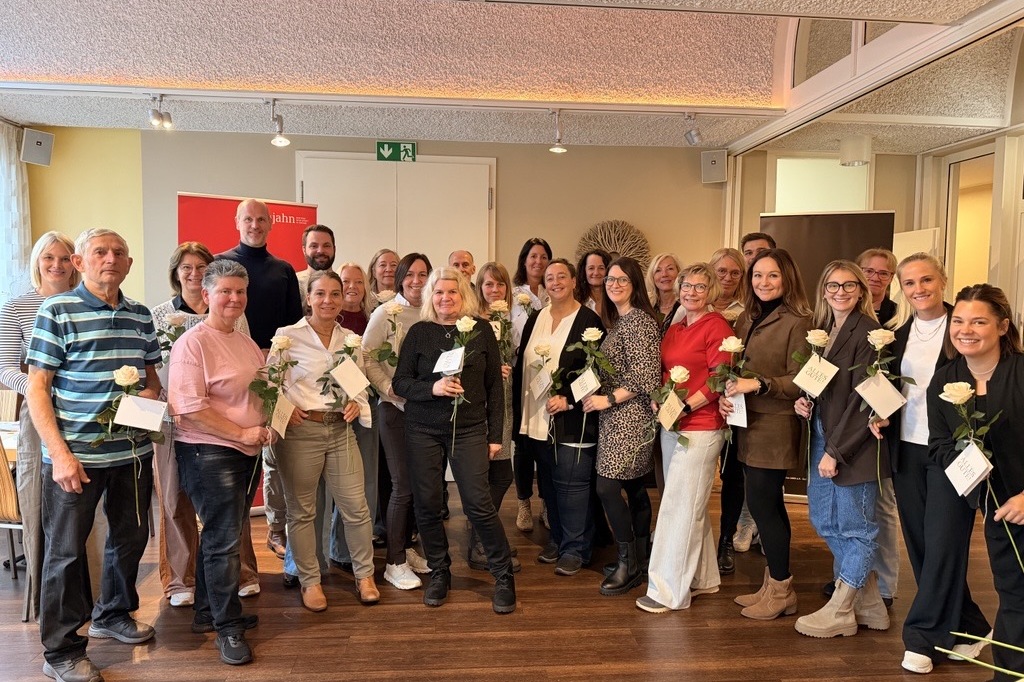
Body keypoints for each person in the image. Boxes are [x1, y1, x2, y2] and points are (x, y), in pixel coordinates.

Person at [27, 228, 162, 681]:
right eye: (100, 251)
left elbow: (151, 380)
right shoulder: (56, 310)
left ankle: (113, 614)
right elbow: (38, 388)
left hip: (133, 454)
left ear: (129, 264)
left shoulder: (141, 315)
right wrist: (59, 454)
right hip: (76, 458)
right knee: (65, 554)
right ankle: (61, 652)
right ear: (80, 262)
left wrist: (145, 404)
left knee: (131, 538)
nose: (111, 258)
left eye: (119, 252)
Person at [871, 254, 991, 674]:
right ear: (901, 288)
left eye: (926, 280)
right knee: (923, 546)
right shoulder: (895, 336)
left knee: (944, 543)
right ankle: (970, 626)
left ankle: (923, 636)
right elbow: (892, 391)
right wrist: (879, 415)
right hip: (907, 449)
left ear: (942, 280)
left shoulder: (962, 328)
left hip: (952, 451)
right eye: (909, 283)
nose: (918, 289)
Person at [393, 267, 516, 613]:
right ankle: (440, 571)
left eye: (452, 292)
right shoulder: (419, 332)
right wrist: (432, 388)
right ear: (430, 297)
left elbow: (495, 387)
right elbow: (401, 382)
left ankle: (503, 575)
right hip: (422, 429)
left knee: (479, 504)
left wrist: (496, 436)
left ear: (464, 296)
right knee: (428, 504)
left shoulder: (480, 331)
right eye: (438, 292)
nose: (445, 298)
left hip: (469, 429)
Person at [169, 259, 273, 667]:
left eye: (240, 291)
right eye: (225, 291)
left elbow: (259, 391)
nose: (234, 298)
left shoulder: (244, 341)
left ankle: (206, 613)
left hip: (245, 451)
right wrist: (241, 434)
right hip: (209, 451)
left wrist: (269, 422)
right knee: (224, 541)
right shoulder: (192, 344)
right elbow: (188, 409)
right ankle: (228, 627)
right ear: (206, 294)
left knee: (222, 535)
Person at [149, 242, 258, 608]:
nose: (194, 274)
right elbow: (156, 370)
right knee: (176, 501)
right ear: (177, 273)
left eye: (201, 267)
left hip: (232, 432)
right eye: (187, 267)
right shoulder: (164, 317)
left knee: (229, 513)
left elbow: (247, 370)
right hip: (180, 422)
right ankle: (183, 582)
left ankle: (237, 578)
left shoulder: (237, 321)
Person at [928, 284, 1024, 680]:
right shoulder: (944, 380)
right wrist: (966, 463)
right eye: (959, 321)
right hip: (999, 511)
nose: (965, 330)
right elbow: (938, 446)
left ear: (1002, 326)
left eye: (979, 321)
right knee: (1014, 593)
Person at [792, 261, 890, 638]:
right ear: (824, 290)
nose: (840, 292)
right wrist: (805, 401)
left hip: (853, 443)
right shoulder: (826, 331)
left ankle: (842, 607)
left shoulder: (868, 332)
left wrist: (835, 451)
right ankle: (870, 602)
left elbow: (865, 401)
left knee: (856, 527)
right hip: (821, 432)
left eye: (849, 285)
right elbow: (823, 386)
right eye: (833, 285)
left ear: (861, 290)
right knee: (823, 519)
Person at [274, 271, 380, 611]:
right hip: (301, 432)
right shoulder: (287, 337)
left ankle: (365, 576)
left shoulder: (350, 339)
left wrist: (356, 403)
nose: (328, 300)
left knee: (356, 507)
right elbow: (270, 385)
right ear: (308, 298)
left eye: (336, 294)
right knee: (302, 511)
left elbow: (358, 385)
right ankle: (310, 581)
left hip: (340, 431)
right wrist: (285, 410)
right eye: (320, 293)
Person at [720, 248, 811, 620]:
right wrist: (728, 391)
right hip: (746, 423)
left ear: (787, 278)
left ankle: (782, 590)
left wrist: (757, 383)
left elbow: (801, 379)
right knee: (766, 505)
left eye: (772, 275)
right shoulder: (748, 316)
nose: (763, 282)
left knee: (764, 507)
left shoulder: (799, 321)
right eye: (757, 275)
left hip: (775, 426)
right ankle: (772, 583)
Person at [636, 262, 732, 613]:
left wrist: (686, 407)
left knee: (679, 507)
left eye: (700, 287)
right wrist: (659, 399)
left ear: (711, 291)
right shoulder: (676, 328)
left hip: (702, 426)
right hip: (672, 423)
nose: (691, 292)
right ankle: (704, 578)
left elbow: (720, 378)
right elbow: (665, 372)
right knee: (690, 504)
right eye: (687, 286)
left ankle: (668, 591)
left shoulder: (717, 326)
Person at [217, 198, 303, 560]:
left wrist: (275, 360)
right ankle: (245, 536)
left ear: (271, 223)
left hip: (277, 372)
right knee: (239, 455)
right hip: (233, 373)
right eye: (248, 219)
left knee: (276, 449)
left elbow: (296, 326)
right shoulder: (222, 265)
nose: (255, 225)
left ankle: (277, 527)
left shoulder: (283, 270)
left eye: (261, 219)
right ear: (237, 222)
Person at [0, 231, 80, 622]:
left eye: (64, 257)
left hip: (83, 415)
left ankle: (89, 596)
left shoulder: (86, 304)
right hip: (37, 417)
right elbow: (4, 369)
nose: (56, 265)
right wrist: (39, 390)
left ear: (75, 263)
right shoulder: (16, 308)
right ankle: (44, 601)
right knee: (38, 504)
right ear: (37, 262)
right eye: (49, 257)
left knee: (83, 507)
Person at [516, 259, 604, 576]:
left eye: (561, 276)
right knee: (550, 484)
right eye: (549, 278)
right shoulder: (536, 318)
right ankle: (558, 539)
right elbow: (523, 365)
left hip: (571, 418)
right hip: (536, 418)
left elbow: (598, 372)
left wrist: (568, 398)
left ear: (574, 280)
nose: (555, 282)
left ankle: (577, 548)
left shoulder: (589, 321)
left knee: (572, 485)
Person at [583, 256, 661, 596]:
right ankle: (639, 559)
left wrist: (608, 399)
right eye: (610, 279)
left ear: (635, 284)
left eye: (622, 280)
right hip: (616, 416)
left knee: (607, 487)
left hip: (631, 416)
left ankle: (628, 563)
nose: (614, 285)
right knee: (634, 487)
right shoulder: (619, 320)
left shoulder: (639, 321)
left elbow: (646, 376)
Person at [363, 253, 432, 590]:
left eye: (423, 274)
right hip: (394, 409)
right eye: (410, 275)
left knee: (418, 486)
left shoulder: (433, 311)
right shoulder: (386, 312)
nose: (416, 281)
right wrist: (387, 388)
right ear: (401, 278)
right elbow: (366, 355)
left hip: (425, 410)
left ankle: (405, 549)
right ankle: (393, 563)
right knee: (402, 486)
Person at [325, 262, 379, 573]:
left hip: (365, 405)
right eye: (346, 282)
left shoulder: (374, 318)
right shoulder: (328, 321)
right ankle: (326, 549)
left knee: (362, 481)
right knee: (330, 486)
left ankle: (350, 549)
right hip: (332, 411)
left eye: (358, 282)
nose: (352, 287)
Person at [469, 262, 519, 572]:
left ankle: (485, 537)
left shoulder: (509, 321)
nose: (495, 290)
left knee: (499, 474)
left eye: (500, 284)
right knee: (492, 475)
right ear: (479, 288)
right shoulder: (470, 322)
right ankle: (481, 542)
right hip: (482, 405)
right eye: (489, 284)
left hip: (505, 403)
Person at [707, 247, 753, 576]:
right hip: (702, 399)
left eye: (735, 272)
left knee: (733, 473)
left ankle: (726, 538)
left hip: (735, 400)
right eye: (721, 271)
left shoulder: (748, 311)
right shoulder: (697, 304)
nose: (727, 277)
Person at [510, 237, 552, 533]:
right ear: (524, 261)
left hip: (550, 376)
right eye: (533, 257)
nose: (538, 262)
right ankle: (524, 502)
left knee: (547, 440)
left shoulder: (556, 292)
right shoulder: (513, 295)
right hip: (519, 375)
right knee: (523, 441)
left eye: (544, 257)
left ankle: (547, 503)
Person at [857, 248, 898, 326]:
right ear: (858, 273)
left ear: (891, 278)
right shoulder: (843, 309)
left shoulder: (898, 316)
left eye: (883, 273)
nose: (875, 278)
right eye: (869, 271)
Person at [295, 224, 336, 295]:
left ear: (334, 249)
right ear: (304, 250)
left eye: (326, 246)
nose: (320, 251)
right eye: (314, 246)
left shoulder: (345, 283)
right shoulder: (293, 283)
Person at [645, 252, 682, 326]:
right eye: (658, 270)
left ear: (679, 273)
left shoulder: (686, 305)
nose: (664, 274)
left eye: (670, 269)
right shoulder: (647, 305)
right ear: (652, 276)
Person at [574, 248, 611, 317]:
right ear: (584, 271)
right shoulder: (574, 300)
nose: (596, 273)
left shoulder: (616, 298)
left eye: (601, 268)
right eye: (591, 268)